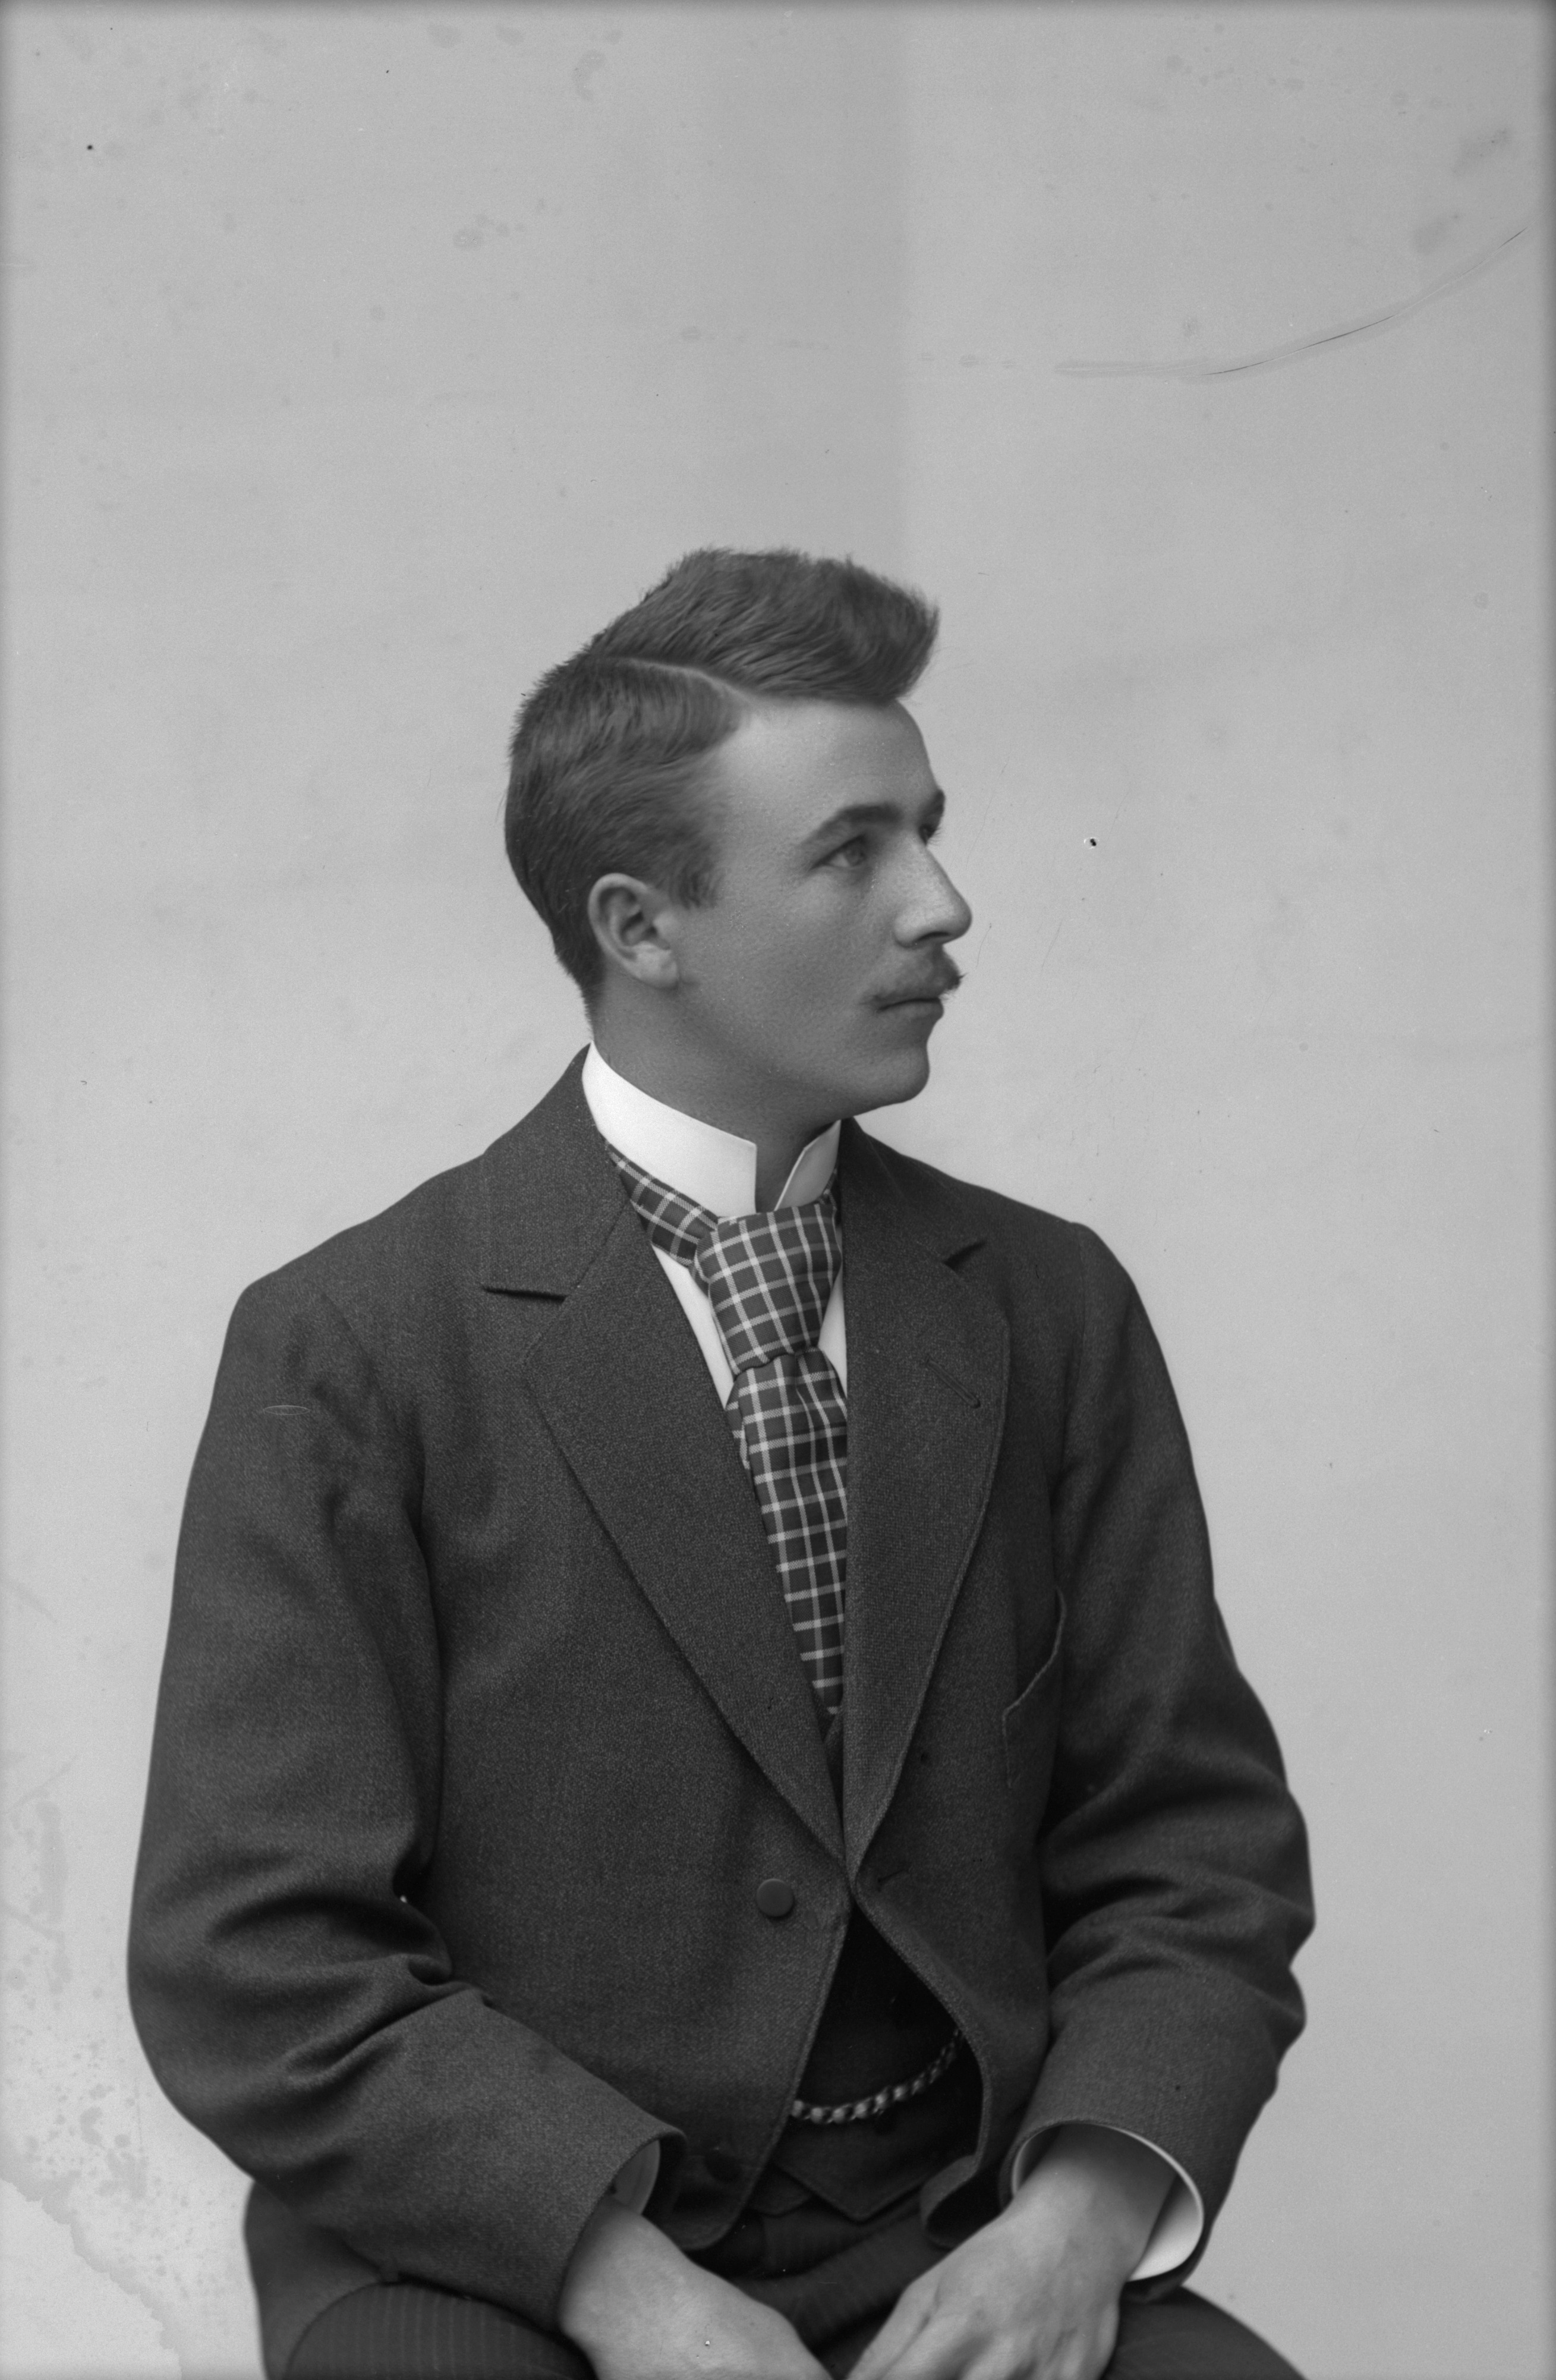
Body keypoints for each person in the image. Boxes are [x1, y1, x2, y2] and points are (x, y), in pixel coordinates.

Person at [129, 549, 1314, 2380]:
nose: (943, 904)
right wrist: (628, 2290)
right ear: (641, 926)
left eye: (927, 833)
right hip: (504, 2250)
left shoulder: (1046, 1305)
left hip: (960, 2222)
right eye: (851, 852)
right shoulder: (352, 1344)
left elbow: (1189, 1842)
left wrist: (1075, 2223)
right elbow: (254, 1950)